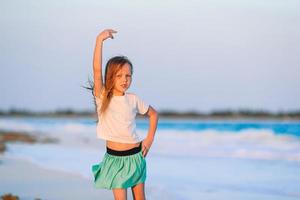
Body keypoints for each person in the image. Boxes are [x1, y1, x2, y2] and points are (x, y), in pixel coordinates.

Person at [90, 29, 159, 200]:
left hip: (136, 157)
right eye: (119, 75)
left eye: (128, 75)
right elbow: (97, 71)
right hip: (115, 160)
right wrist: (99, 40)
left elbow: (154, 114)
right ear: (110, 77)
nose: (124, 79)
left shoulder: (133, 99)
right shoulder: (103, 96)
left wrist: (149, 140)